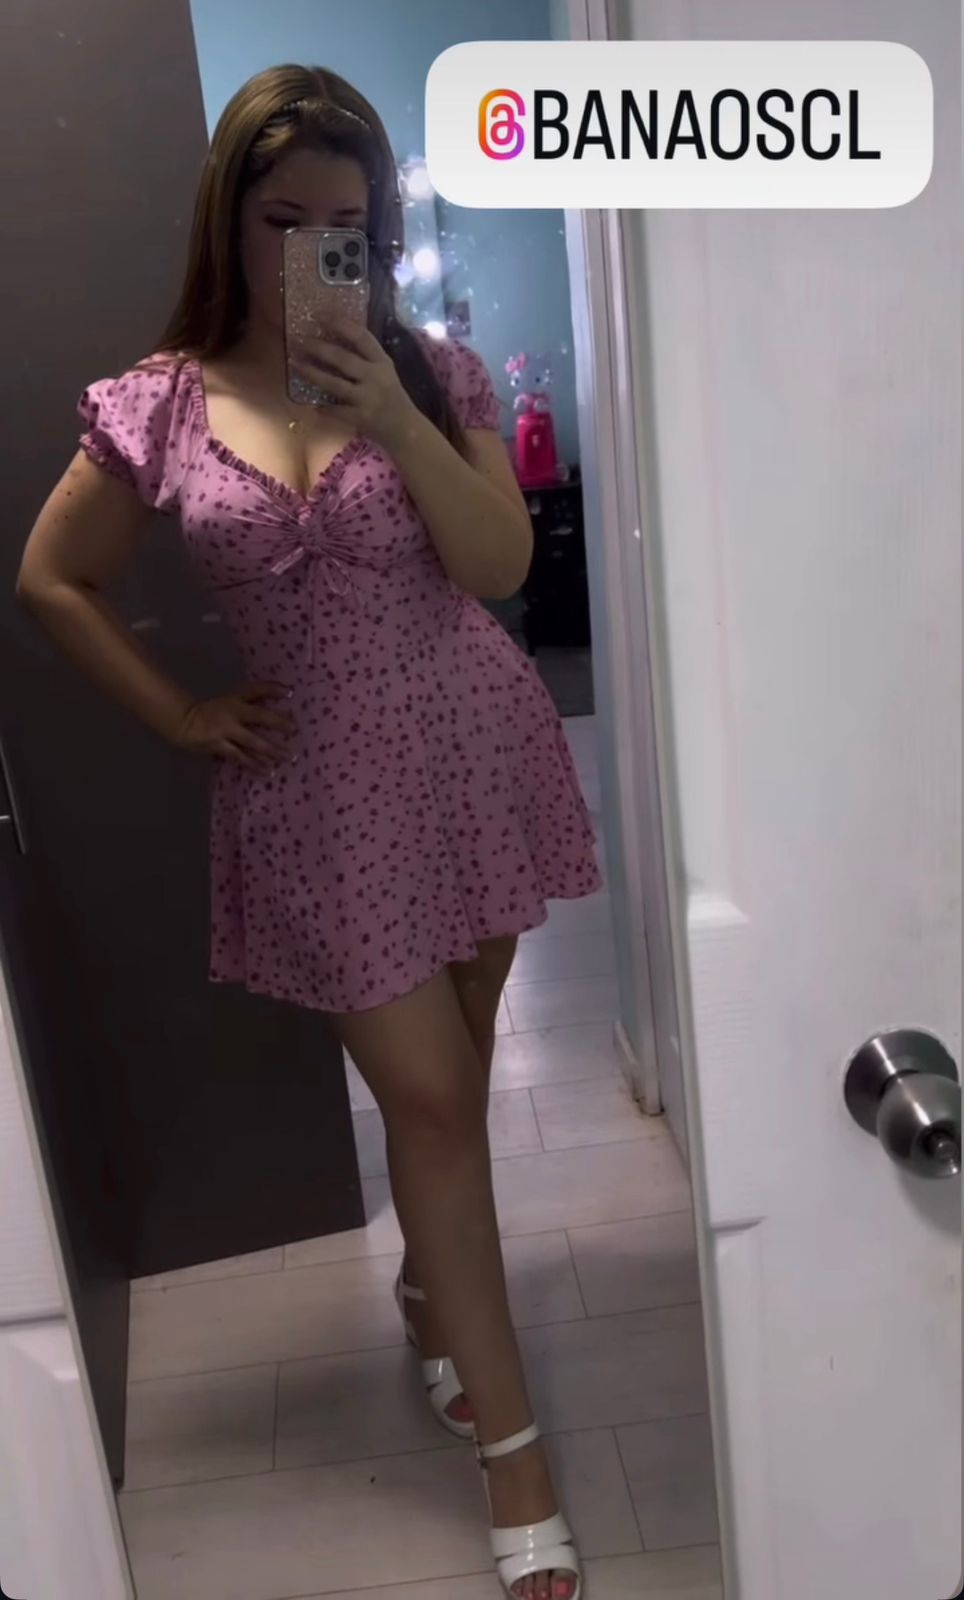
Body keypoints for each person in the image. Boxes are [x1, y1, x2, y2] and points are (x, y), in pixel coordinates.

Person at [16, 63, 600, 1600]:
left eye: (347, 223)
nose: (314, 249)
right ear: (231, 215)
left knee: (453, 1082)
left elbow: (494, 568)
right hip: (320, 806)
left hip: (469, 754)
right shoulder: (160, 405)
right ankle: (516, 1457)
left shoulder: (436, 373)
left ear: (380, 231)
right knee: (435, 1102)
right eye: (285, 219)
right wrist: (179, 714)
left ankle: (432, 1294)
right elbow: (52, 579)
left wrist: (392, 413)